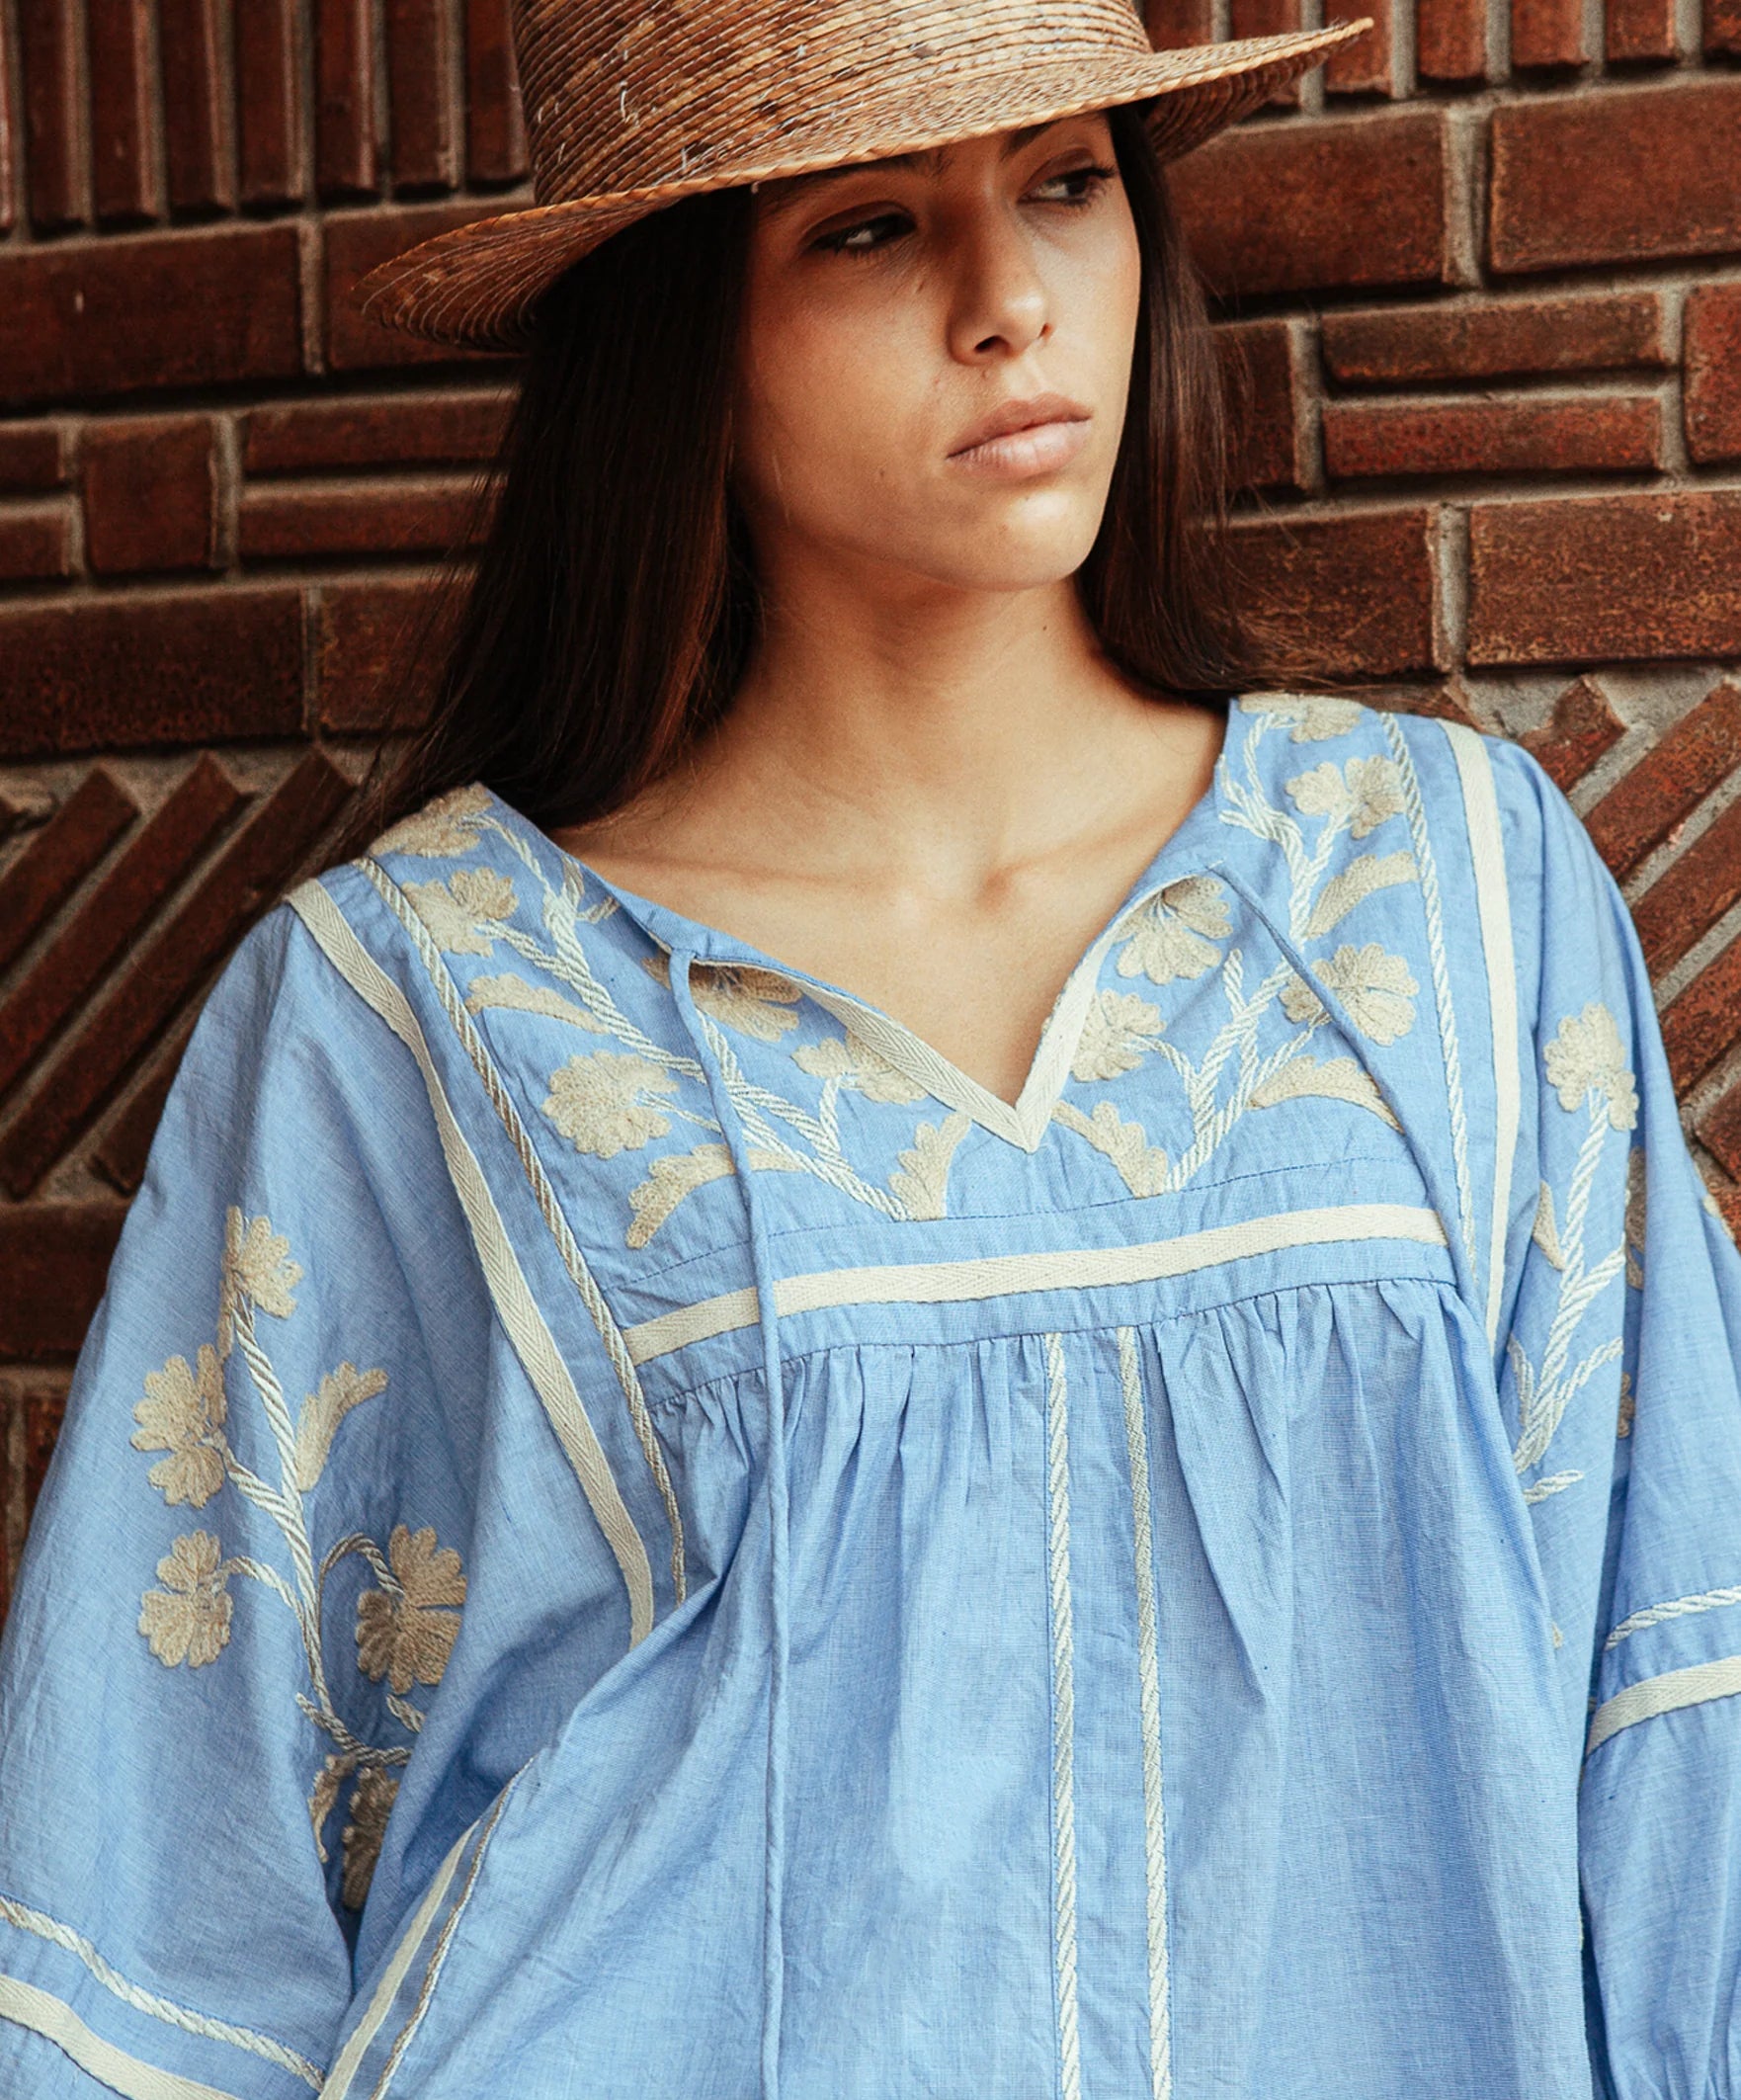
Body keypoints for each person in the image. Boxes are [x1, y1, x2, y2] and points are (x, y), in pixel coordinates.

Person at [1, 1, 1737, 2094]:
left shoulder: (1439, 899)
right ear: (681, 341)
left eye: (1066, 182)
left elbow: (1677, 1688)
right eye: (867, 227)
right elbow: (149, 1902)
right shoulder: (418, 1013)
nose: (1010, 300)